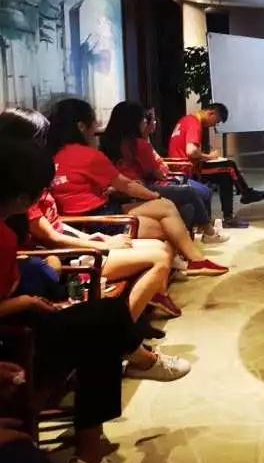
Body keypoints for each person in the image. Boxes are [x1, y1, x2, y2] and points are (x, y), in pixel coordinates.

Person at [0, 138, 189, 463]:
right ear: (20, 198)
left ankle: (92, 456)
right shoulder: (5, 237)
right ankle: (138, 360)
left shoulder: (6, 230)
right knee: (102, 326)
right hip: (16, 338)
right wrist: (22, 300)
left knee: (105, 318)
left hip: (25, 316)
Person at [0, 107, 181, 319]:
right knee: (160, 252)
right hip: (64, 257)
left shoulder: (29, 180)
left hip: (69, 246)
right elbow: (50, 238)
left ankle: (140, 315)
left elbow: (56, 224)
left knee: (162, 241)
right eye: (41, 139)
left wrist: (91, 238)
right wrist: (101, 245)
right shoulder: (21, 189)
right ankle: (125, 329)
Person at [47, 99, 227, 276]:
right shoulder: (89, 155)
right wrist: (154, 195)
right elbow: (128, 184)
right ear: (81, 126)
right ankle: (190, 260)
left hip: (94, 214)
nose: (96, 126)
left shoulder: (53, 157)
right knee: (170, 220)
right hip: (100, 218)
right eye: (93, 121)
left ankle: (192, 261)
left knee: (167, 207)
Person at [100, 101, 228, 244]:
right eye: (145, 119)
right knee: (190, 192)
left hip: (122, 191)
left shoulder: (107, 143)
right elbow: (157, 173)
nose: (150, 122)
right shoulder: (139, 144)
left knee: (191, 193)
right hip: (141, 188)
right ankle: (208, 232)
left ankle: (202, 231)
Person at [168, 102, 264, 229]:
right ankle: (245, 194)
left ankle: (233, 211)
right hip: (187, 168)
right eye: (216, 121)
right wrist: (210, 157)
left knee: (226, 173)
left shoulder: (186, 120)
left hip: (182, 166)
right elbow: (191, 151)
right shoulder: (194, 123)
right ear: (211, 113)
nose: (214, 125)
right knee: (229, 167)